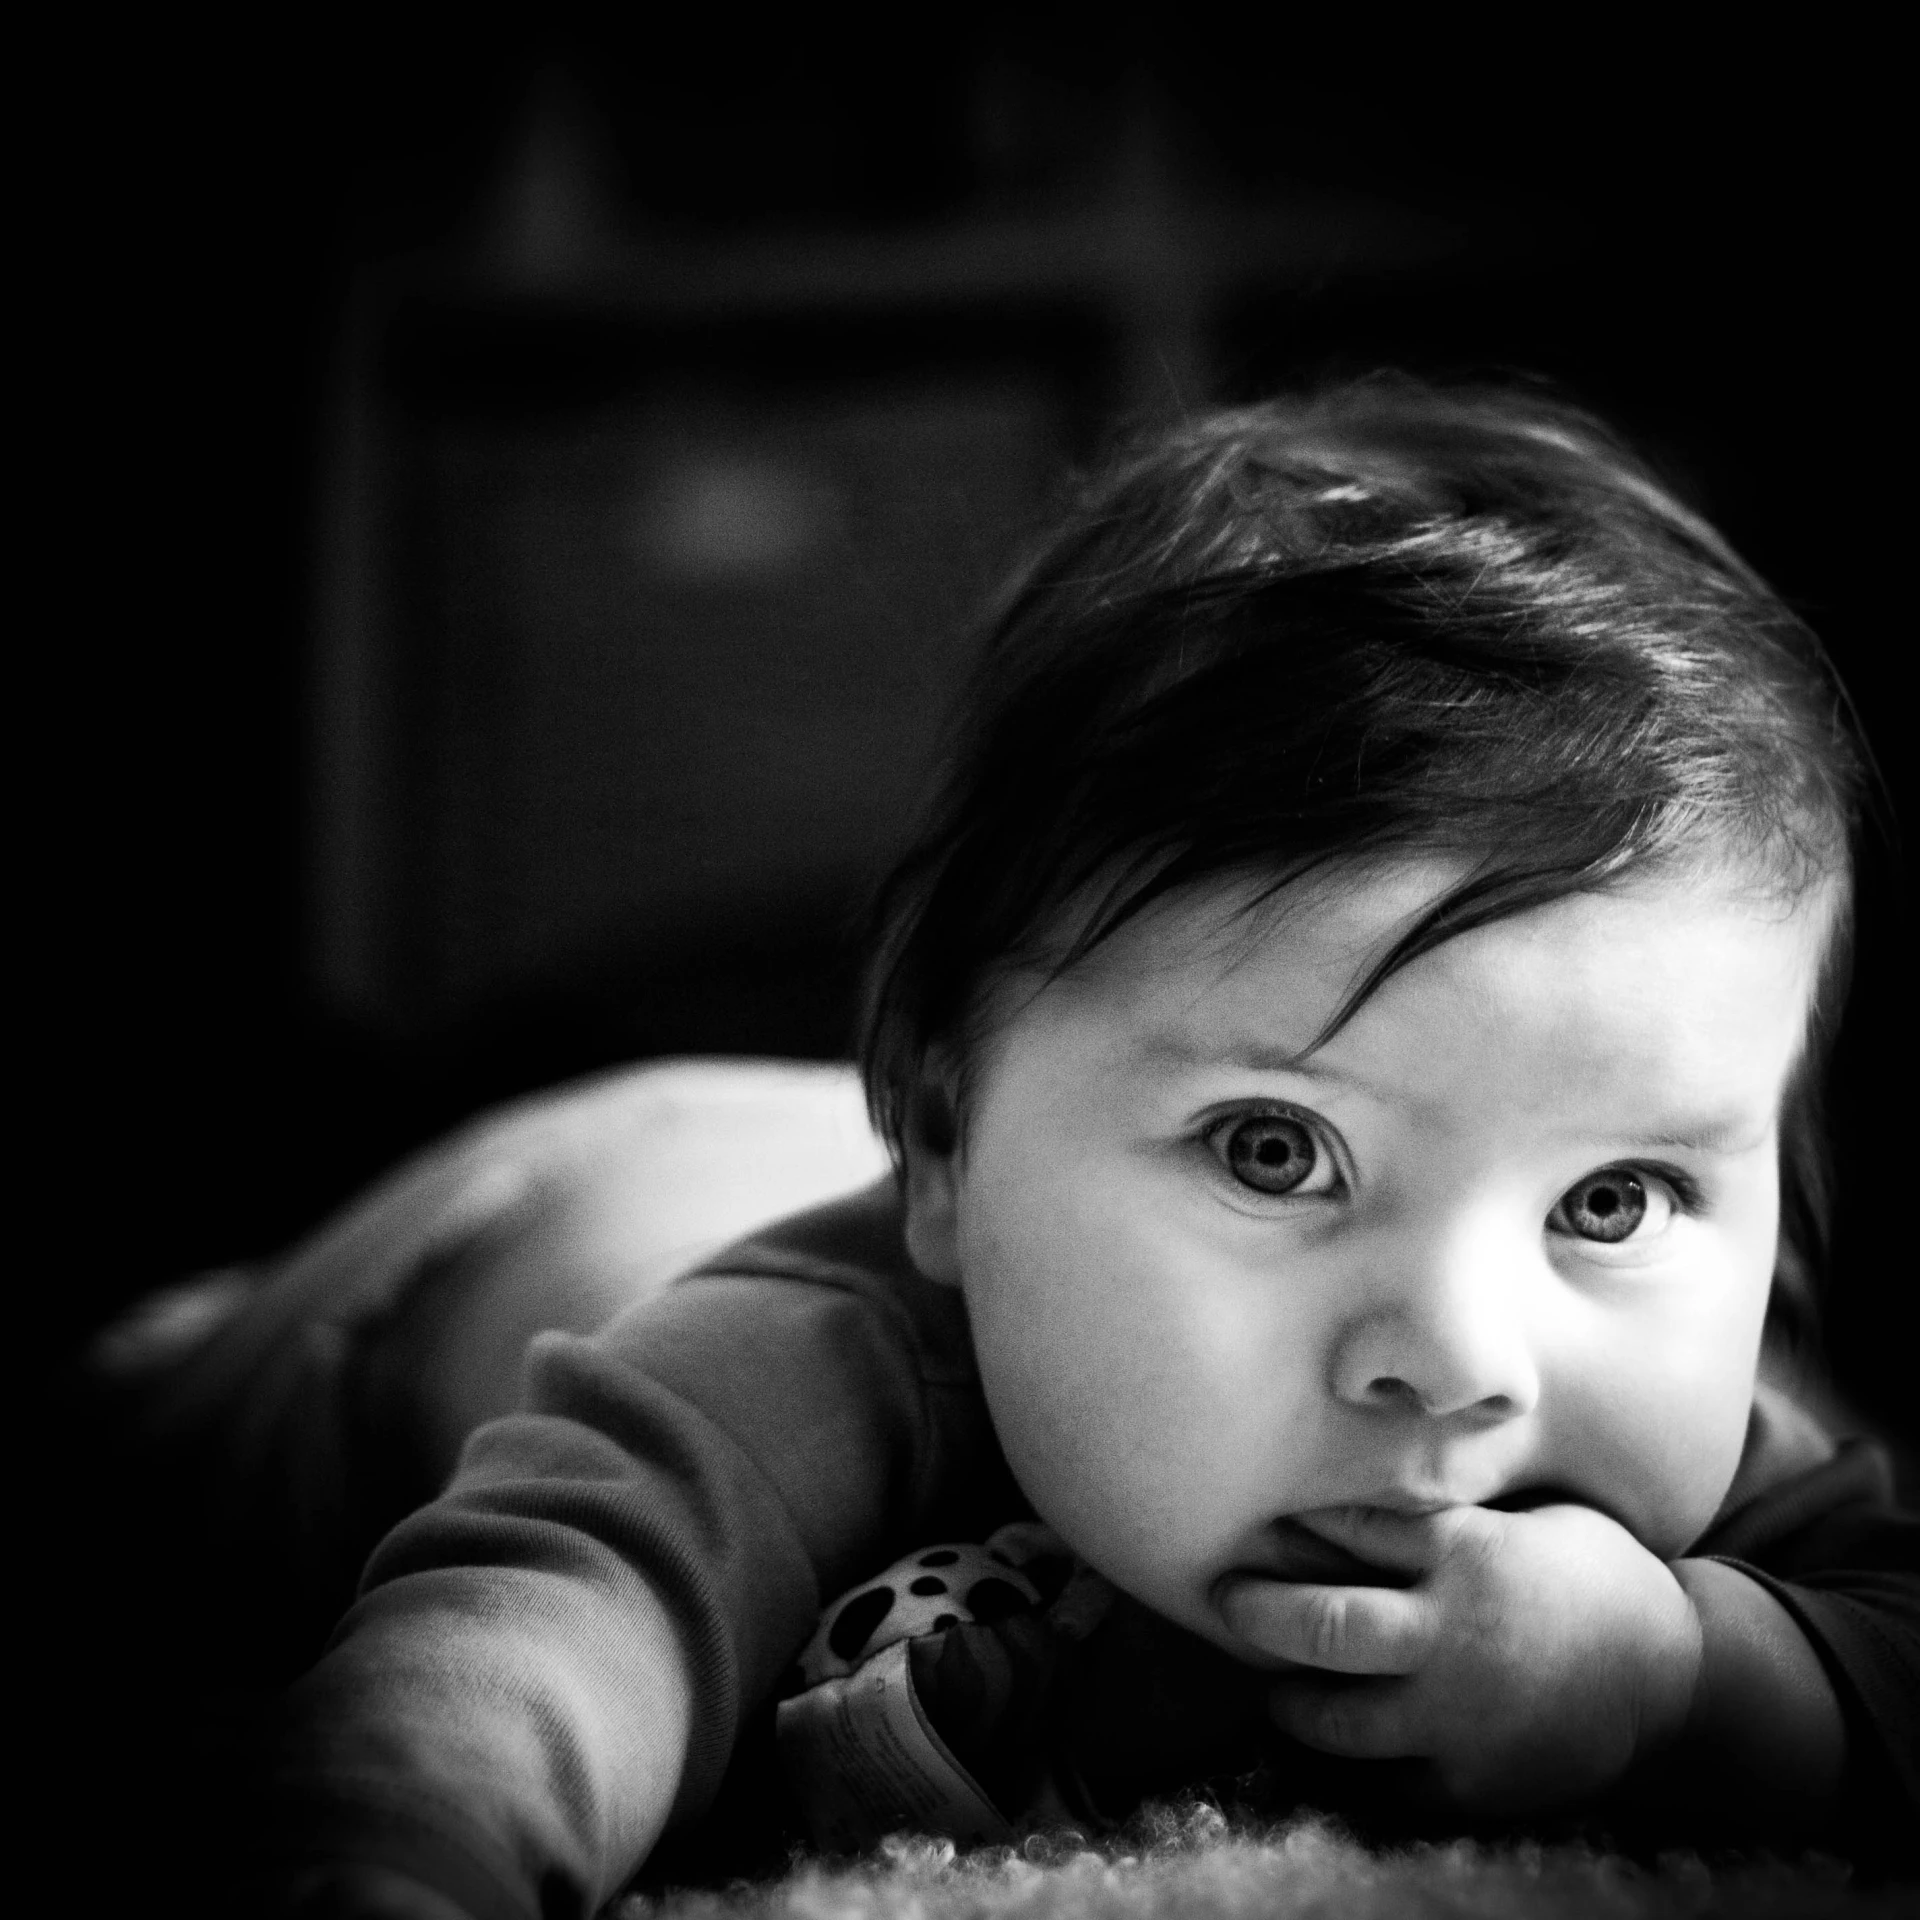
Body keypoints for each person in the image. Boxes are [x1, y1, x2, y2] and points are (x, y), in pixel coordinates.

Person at [175, 379, 1911, 1915]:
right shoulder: (804, 1364)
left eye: (1613, 1198)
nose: (1462, 1361)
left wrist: (1700, 1678)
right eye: (1275, 1151)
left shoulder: (1733, 1454)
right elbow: (560, 1609)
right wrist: (393, 1844)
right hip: (502, 1237)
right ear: (940, 1145)